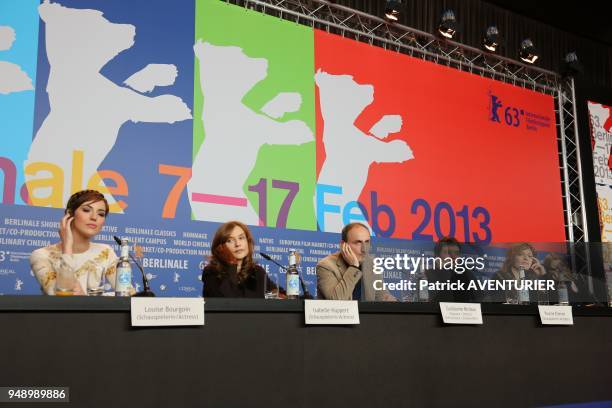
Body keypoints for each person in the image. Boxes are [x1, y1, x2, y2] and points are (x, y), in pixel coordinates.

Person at [30, 190, 119, 295]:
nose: (94, 217)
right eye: (86, 210)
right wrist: (67, 248)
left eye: (101, 214)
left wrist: (85, 298)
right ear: (69, 214)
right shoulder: (42, 255)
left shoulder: (105, 252)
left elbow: (128, 296)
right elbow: (60, 297)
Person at [316, 222, 396, 301]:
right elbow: (337, 301)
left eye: (367, 242)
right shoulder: (326, 266)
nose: (364, 249)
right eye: (358, 242)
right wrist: (354, 267)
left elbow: (382, 296)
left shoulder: (371, 264)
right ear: (343, 245)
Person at [202, 221, 276, 298]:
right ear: (220, 248)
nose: (237, 244)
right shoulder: (211, 272)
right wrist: (231, 263)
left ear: (248, 242)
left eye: (241, 238)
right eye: (229, 240)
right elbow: (229, 302)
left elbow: (278, 294)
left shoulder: (257, 272)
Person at [424, 237, 479, 302]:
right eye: (448, 253)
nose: (453, 256)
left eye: (456, 253)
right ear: (437, 256)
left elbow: (480, 297)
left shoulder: (466, 274)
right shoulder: (429, 274)